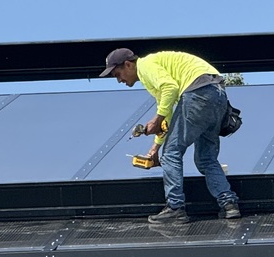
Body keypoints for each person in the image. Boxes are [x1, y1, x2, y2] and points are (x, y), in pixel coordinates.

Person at [100, 48, 241, 224]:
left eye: (118, 74)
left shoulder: (146, 66)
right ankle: (229, 204)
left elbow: (170, 88)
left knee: (171, 154)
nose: (119, 80)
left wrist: (156, 119)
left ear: (128, 64)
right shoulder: (156, 69)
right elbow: (166, 112)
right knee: (206, 158)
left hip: (197, 92)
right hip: (216, 94)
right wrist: (155, 147)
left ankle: (175, 208)